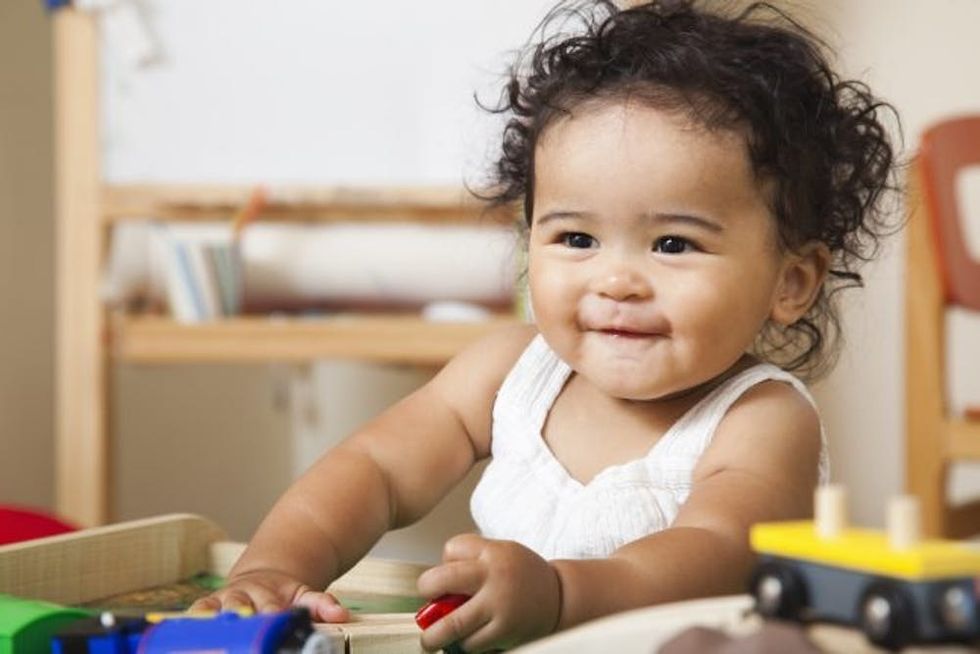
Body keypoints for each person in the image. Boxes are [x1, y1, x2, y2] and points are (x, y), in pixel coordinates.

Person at [193, 1, 899, 650]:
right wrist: (276, 567)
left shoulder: (762, 418)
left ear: (791, 281)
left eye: (674, 244)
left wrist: (561, 592)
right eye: (576, 239)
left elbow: (712, 552)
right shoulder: (508, 371)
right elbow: (374, 470)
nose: (615, 280)